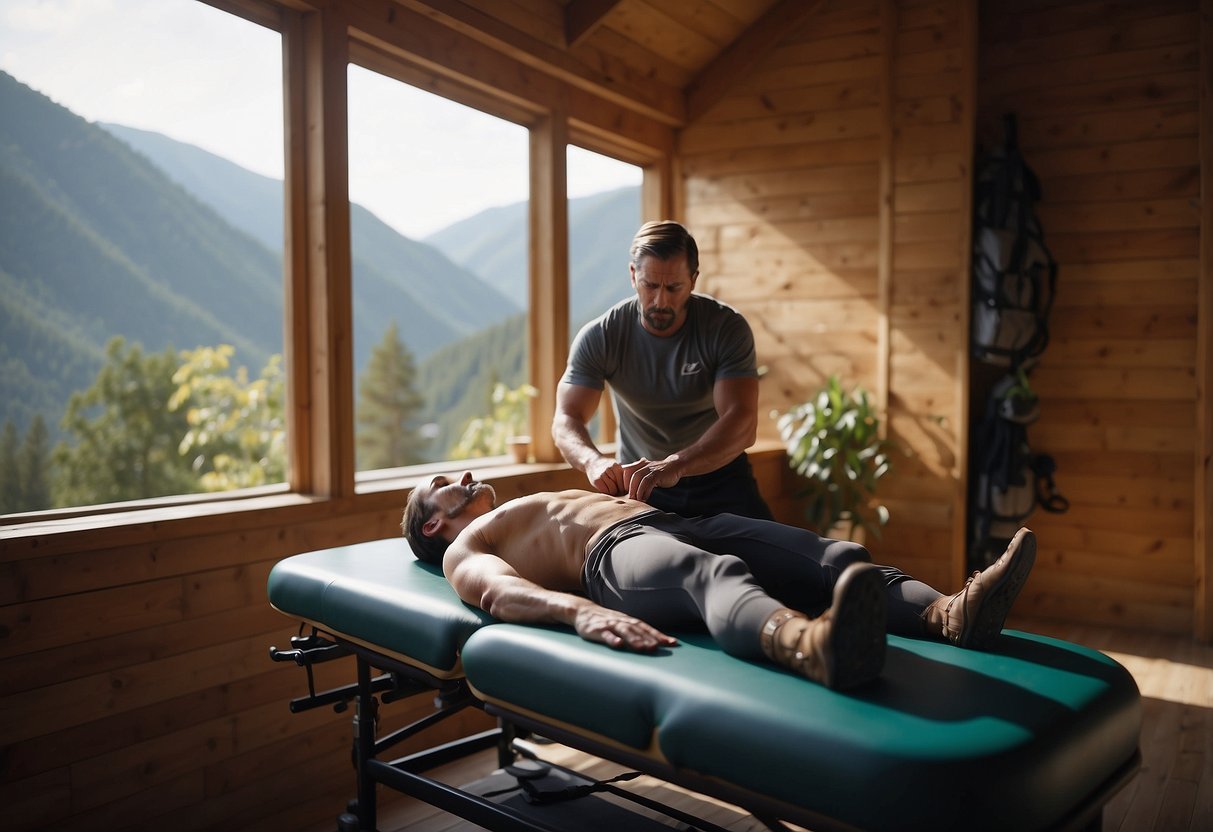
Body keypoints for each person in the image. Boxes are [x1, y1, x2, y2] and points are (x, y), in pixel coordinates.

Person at [402, 471, 1037, 691]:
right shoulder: (467, 544)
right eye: (439, 487)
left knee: (829, 554)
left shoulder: (516, 507)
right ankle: (810, 647)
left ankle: (951, 616)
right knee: (711, 576)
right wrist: (577, 613)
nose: (456, 479)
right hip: (614, 555)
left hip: (676, 519)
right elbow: (494, 591)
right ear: (432, 526)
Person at [553, 220, 774, 521]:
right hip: (640, 486)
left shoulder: (726, 328)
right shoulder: (602, 335)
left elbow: (742, 420)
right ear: (633, 275)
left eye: (674, 287)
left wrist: (675, 465)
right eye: (650, 285)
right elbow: (566, 418)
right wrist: (592, 461)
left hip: (721, 478)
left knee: (774, 564)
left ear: (694, 280)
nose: (661, 300)